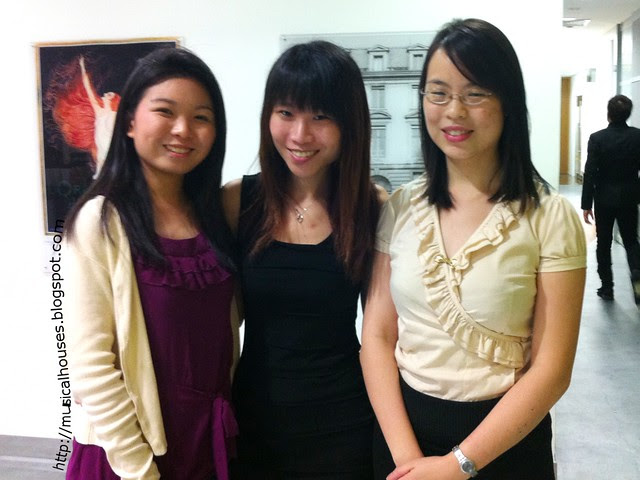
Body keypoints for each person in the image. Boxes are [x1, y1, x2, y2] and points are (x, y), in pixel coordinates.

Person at [360, 18, 586, 480]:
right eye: (438, 93)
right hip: (405, 437)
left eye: (475, 93)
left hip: (507, 444)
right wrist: (407, 459)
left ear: (508, 103)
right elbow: (378, 337)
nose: (454, 111)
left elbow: (552, 368)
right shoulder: (399, 208)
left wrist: (458, 465)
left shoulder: (549, 216)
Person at [63, 47, 238, 480]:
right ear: (128, 122)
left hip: (204, 442)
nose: (183, 129)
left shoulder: (215, 218)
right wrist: (140, 471)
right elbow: (92, 368)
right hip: (126, 455)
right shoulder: (101, 220)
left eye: (201, 117)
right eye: (165, 111)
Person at [222, 40, 384, 479]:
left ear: (349, 124)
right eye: (286, 113)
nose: (299, 135)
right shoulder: (236, 202)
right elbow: (218, 324)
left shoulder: (373, 209)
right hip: (253, 421)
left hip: (346, 425)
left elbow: (383, 335)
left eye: (321, 116)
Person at [581, 94, 640, 303]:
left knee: (604, 242)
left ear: (609, 114)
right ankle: (637, 273)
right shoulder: (637, 136)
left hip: (604, 198)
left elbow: (590, 172)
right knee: (631, 240)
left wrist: (586, 204)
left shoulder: (597, 138)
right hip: (630, 197)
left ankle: (607, 287)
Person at [79, 56, 119, 176]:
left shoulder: (114, 116)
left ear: (111, 100)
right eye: (106, 94)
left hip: (110, 152)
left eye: (108, 95)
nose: (105, 95)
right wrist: (82, 67)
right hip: (102, 152)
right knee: (101, 179)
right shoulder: (99, 111)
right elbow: (89, 90)